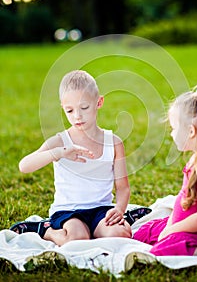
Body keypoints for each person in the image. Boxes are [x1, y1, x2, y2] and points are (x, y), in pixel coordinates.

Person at [10, 70, 132, 245]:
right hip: (68, 211)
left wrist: (119, 209)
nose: (77, 116)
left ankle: (99, 228)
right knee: (76, 238)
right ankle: (46, 230)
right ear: (63, 107)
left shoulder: (113, 143)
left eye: (84, 108)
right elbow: (24, 165)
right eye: (70, 110)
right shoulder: (60, 141)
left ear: (99, 102)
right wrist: (59, 153)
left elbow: (123, 188)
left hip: (100, 209)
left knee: (122, 233)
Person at [133, 83, 197, 256]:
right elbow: (181, 198)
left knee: (163, 249)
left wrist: (171, 231)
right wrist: (169, 226)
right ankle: (172, 235)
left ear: (191, 131)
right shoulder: (196, 159)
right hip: (186, 225)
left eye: (173, 128)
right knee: (144, 233)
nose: (171, 134)